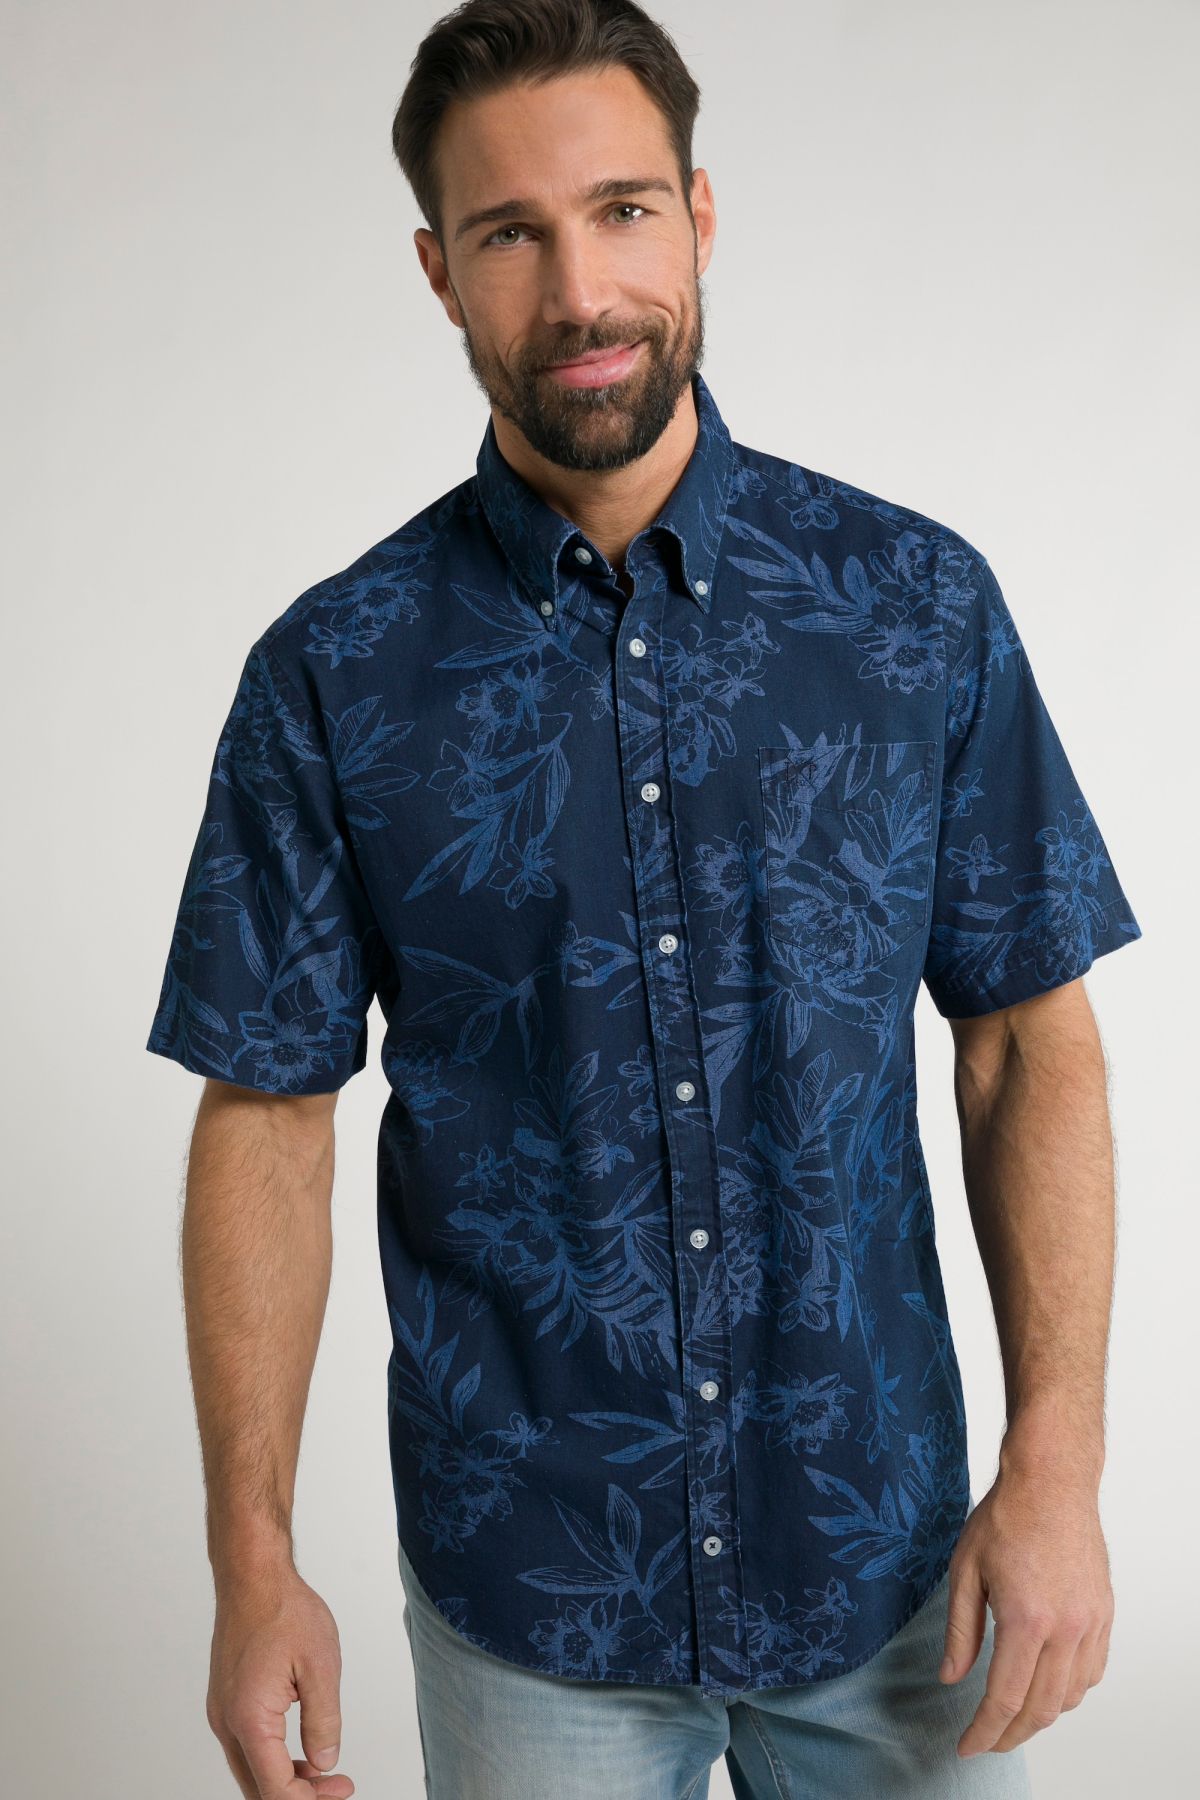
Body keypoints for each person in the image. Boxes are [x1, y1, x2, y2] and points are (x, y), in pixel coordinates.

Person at [145, 2, 1144, 1794]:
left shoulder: (913, 608)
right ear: (439, 274)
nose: (581, 291)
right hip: (529, 1589)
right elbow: (268, 1121)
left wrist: (1057, 1469)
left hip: (895, 1570)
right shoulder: (334, 674)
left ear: (700, 215)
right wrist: (252, 1563)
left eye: (621, 211)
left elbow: (1024, 1045)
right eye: (510, 234)